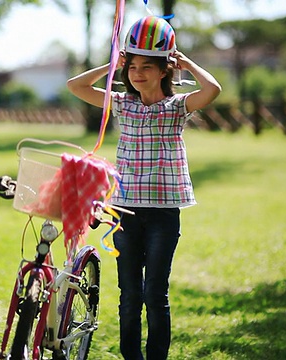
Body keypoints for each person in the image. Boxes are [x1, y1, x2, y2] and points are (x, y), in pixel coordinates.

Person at [67, 15, 222, 360]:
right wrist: (111, 64)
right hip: (123, 213)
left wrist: (188, 63)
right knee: (129, 294)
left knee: (155, 292)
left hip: (163, 215)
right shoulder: (124, 102)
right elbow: (75, 87)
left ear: (165, 69)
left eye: (146, 67)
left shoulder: (176, 107)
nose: (137, 73)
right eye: (132, 66)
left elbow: (212, 90)